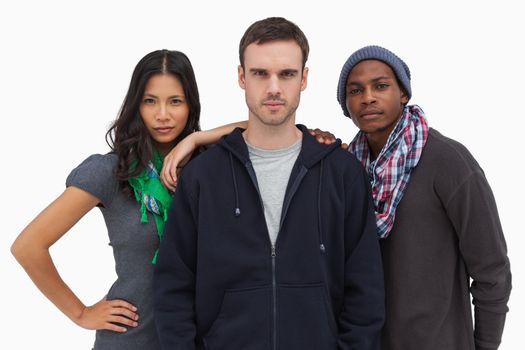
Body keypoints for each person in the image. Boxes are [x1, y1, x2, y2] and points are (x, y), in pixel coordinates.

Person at [153, 17, 385, 349]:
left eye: (287, 74)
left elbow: (366, 293)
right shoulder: (202, 176)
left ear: (304, 79)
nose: (274, 87)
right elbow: (173, 287)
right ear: (241, 77)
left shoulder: (343, 174)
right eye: (260, 73)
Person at [11, 49, 202, 349]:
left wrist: (195, 140)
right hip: (129, 341)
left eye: (175, 101)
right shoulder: (113, 171)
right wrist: (80, 313)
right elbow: (27, 246)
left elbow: (254, 130)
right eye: (150, 101)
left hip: (195, 339)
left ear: (191, 105)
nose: (162, 114)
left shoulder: (207, 169)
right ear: (136, 105)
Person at [336, 45, 512, 350]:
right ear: (345, 103)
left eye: (380, 86)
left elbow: (492, 272)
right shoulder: (346, 170)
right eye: (355, 90)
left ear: (403, 93)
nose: (368, 97)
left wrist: (485, 346)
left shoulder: (448, 161)